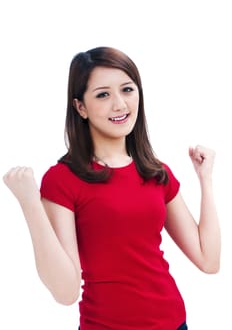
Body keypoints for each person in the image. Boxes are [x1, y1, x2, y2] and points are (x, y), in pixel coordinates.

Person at [3, 46, 220, 330]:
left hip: (173, 322)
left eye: (127, 90)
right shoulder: (63, 179)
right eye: (103, 94)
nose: (119, 104)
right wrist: (30, 203)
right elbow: (66, 292)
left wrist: (205, 179)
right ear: (80, 107)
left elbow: (208, 260)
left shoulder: (156, 172)